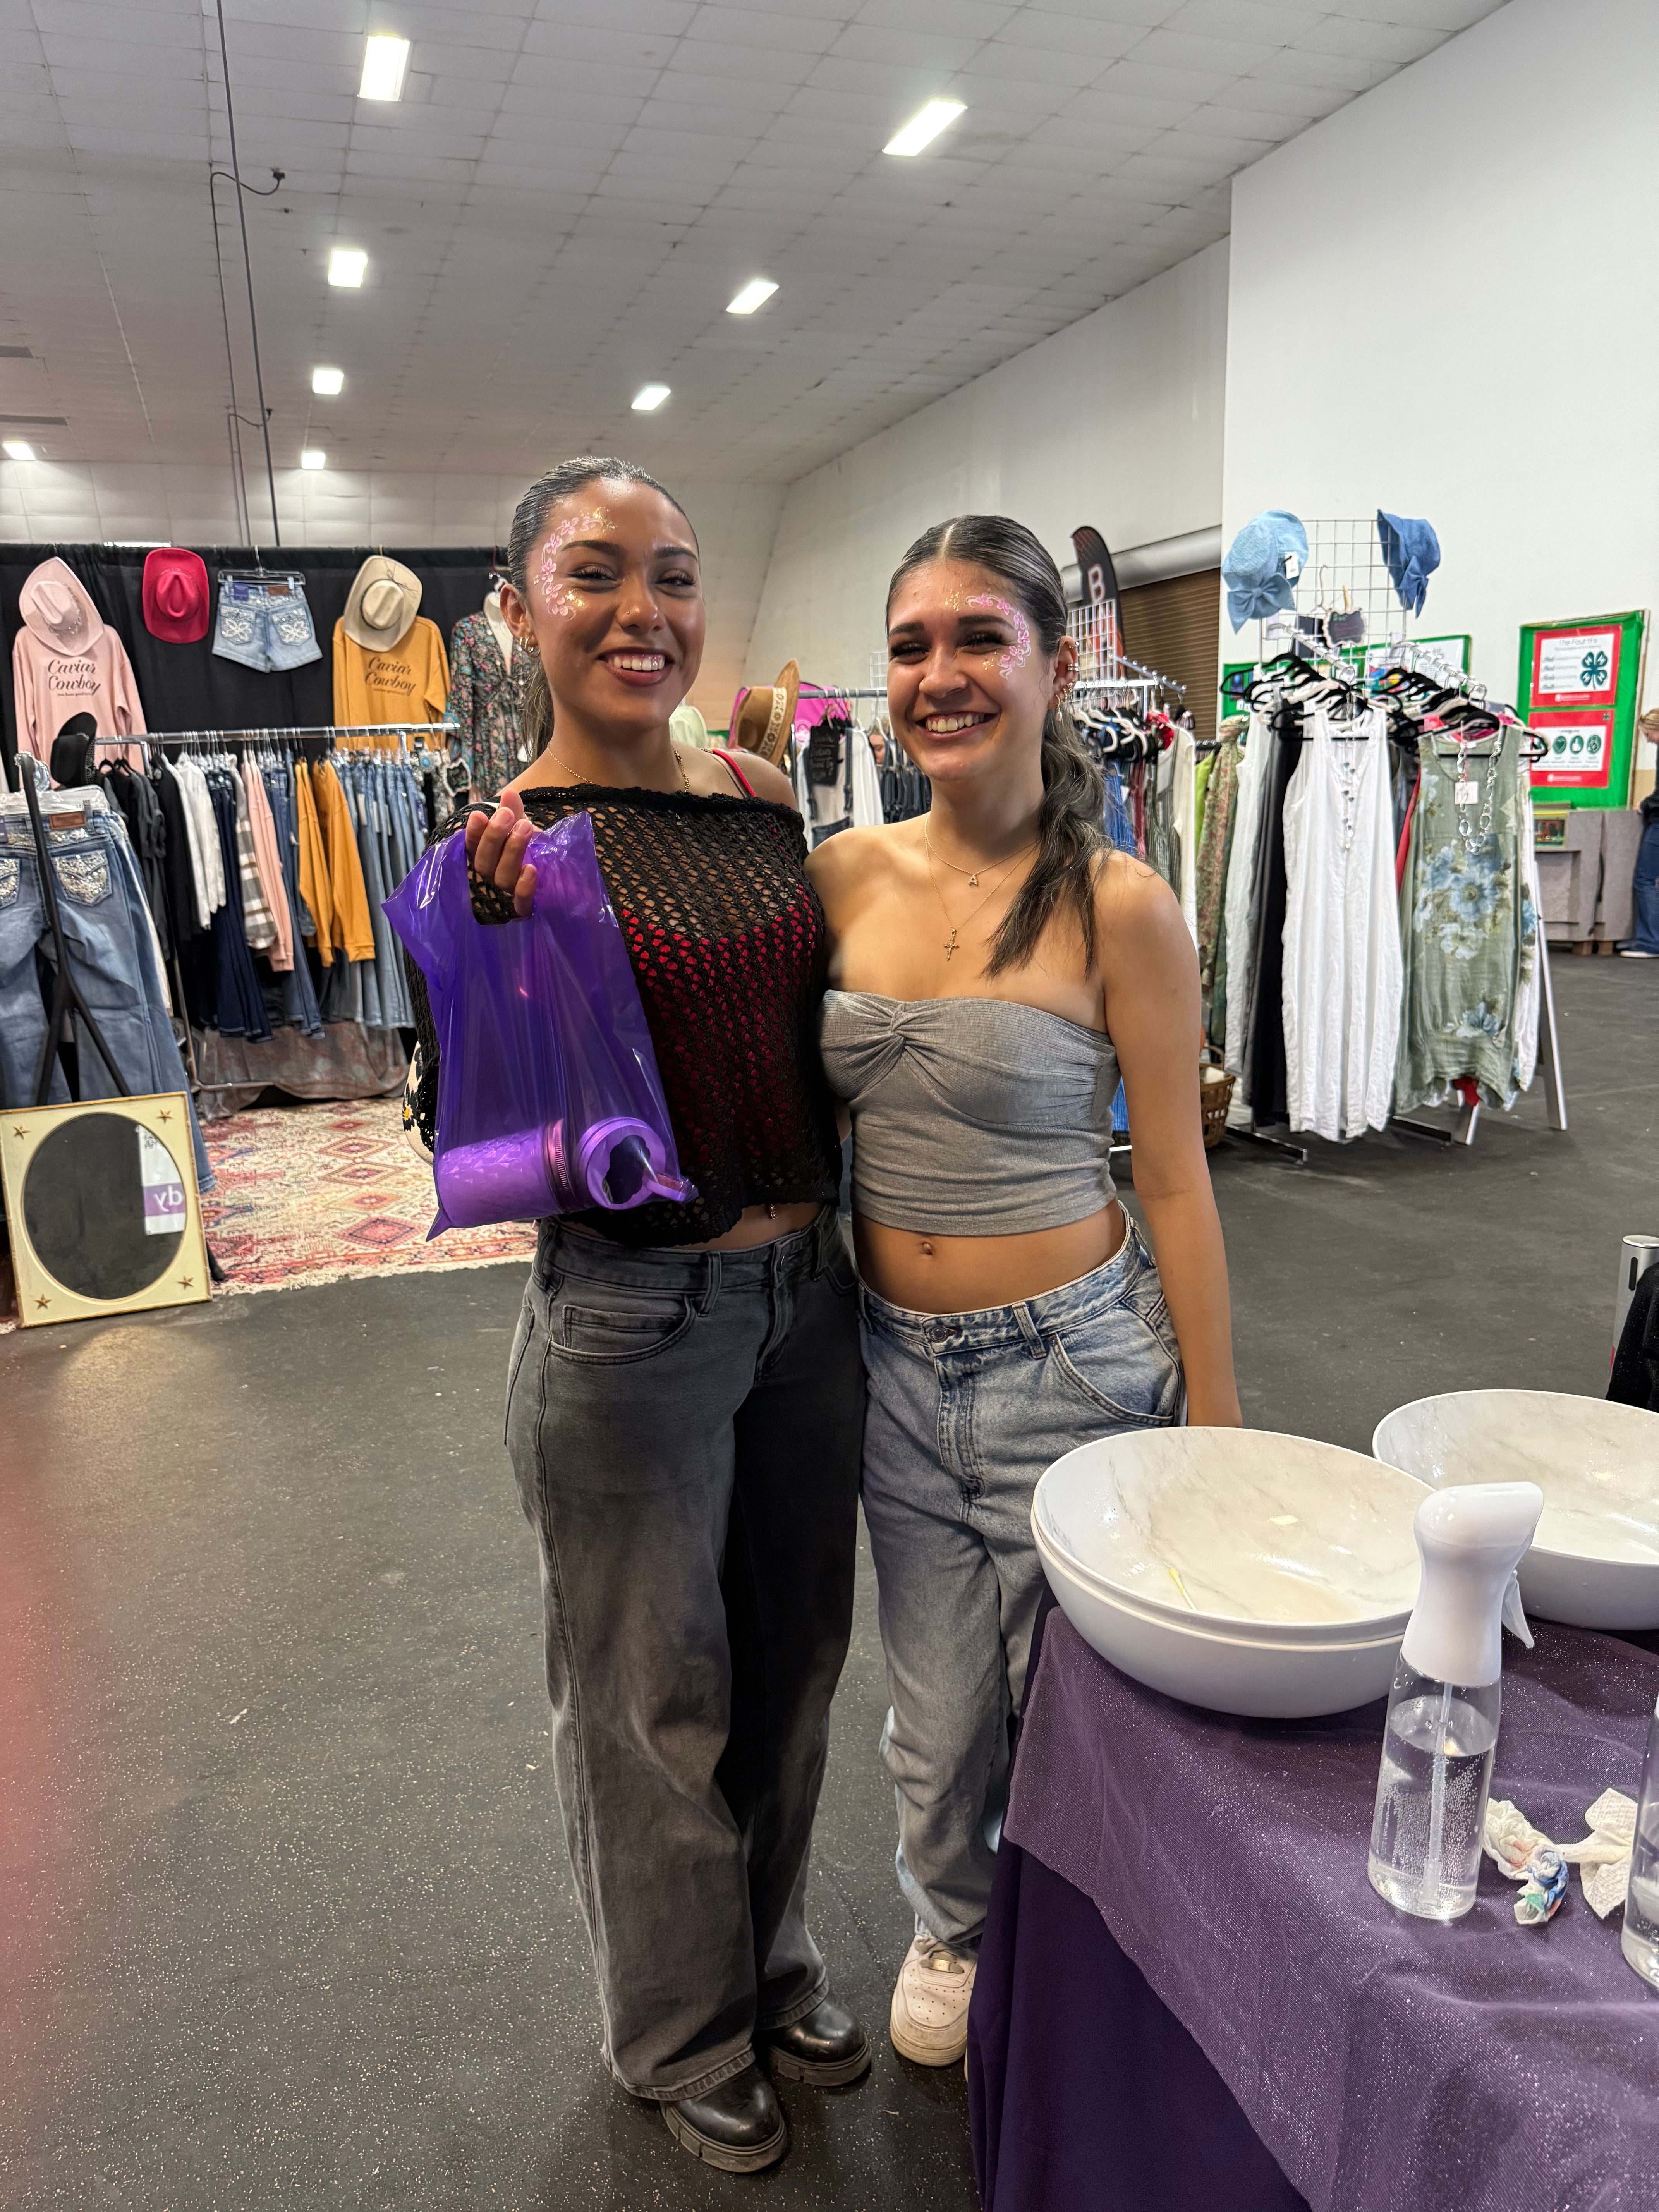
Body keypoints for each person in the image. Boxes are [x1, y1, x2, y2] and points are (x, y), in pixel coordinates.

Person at [406, 457, 867, 2174]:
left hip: (807, 1299)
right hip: (629, 1320)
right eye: (592, 573)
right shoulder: (502, 850)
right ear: (518, 609)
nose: (640, 611)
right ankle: (678, 2031)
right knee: (650, 1698)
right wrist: (509, 953)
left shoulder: (758, 794)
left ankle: (771, 1964)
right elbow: (493, 1136)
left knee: (795, 1665)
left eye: (671, 575)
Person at [809, 514, 1241, 2070]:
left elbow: (1176, 1178)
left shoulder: (1121, 906)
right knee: (936, 1718)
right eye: (910, 645)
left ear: (1057, 669)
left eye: (979, 638)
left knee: (1083, 1708)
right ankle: (955, 1926)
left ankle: (1099, 1958)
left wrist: (1219, 1420)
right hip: (891, 1370)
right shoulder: (837, 875)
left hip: (1075, 1368)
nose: (940, 674)